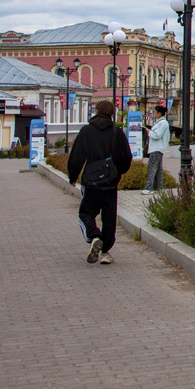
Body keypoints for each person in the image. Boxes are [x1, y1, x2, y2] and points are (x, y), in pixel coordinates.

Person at [67, 99, 132, 265]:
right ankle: (105, 252)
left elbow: (77, 155)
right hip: (110, 183)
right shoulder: (117, 133)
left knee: (86, 213)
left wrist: (73, 176)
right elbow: (126, 157)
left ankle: (94, 236)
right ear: (112, 113)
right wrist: (118, 172)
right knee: (109, 217)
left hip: (91, 182)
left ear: (96, 111)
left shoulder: (86, 131)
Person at [141, 105, 169, 195]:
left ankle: (149, 188)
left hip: (157, 148)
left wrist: (149, 133)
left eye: (155, 112)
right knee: (158, 169)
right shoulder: (159, 123)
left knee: (152, 168)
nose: (153, 114)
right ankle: (159, 187)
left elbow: (157, 135)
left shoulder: (162, 123)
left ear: (159, 113)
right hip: (157, 148)